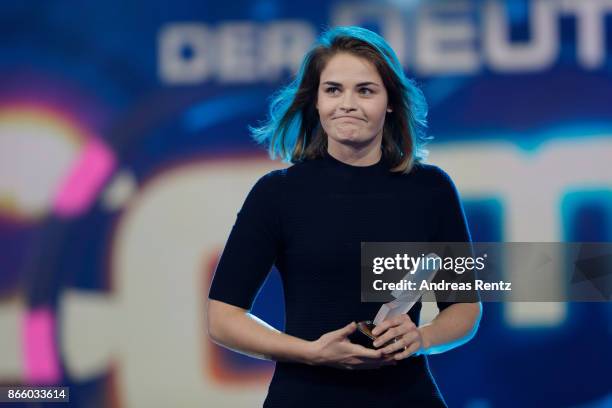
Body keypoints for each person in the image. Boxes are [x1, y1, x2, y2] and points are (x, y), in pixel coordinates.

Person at [207, 26, 482, 407]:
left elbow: (465, 307)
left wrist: (423, 338)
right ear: (315, 101)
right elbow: (223, 318)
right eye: (333, 89)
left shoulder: (430, 189)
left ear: (389, 101)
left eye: (365, 90)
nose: (347, 103)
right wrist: (309, 352)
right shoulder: (277, 194)